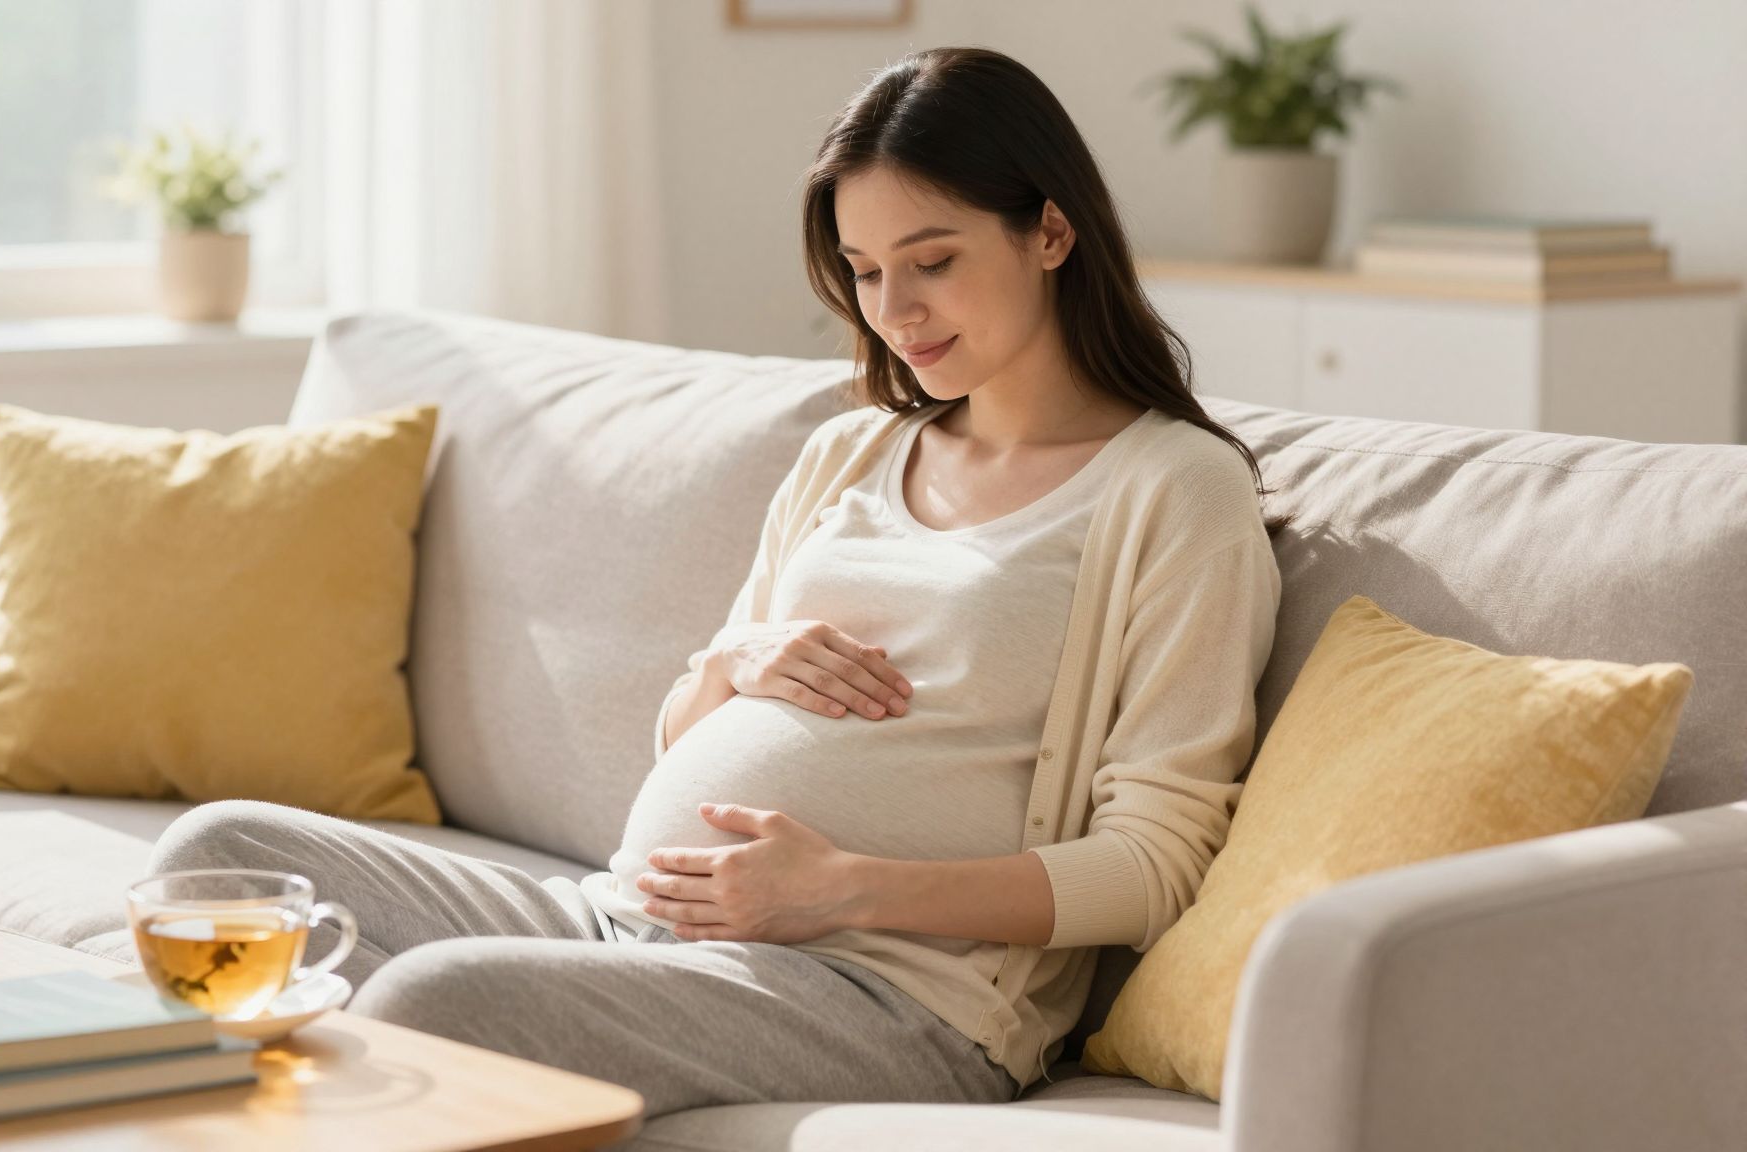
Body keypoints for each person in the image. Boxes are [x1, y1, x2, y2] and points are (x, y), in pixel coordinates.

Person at [146, 45, 1281, 1123]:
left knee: (437, 1004)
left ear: (1049, 231)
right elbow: (677, 735)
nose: (894, 312)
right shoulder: (851, 452)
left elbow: (1152, 867)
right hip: (624, 916)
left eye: (932, 261)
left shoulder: (1172, 492)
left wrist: (844, 889)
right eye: (866, 271)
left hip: (888, 994)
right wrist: (732, 666)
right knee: (217, 858)